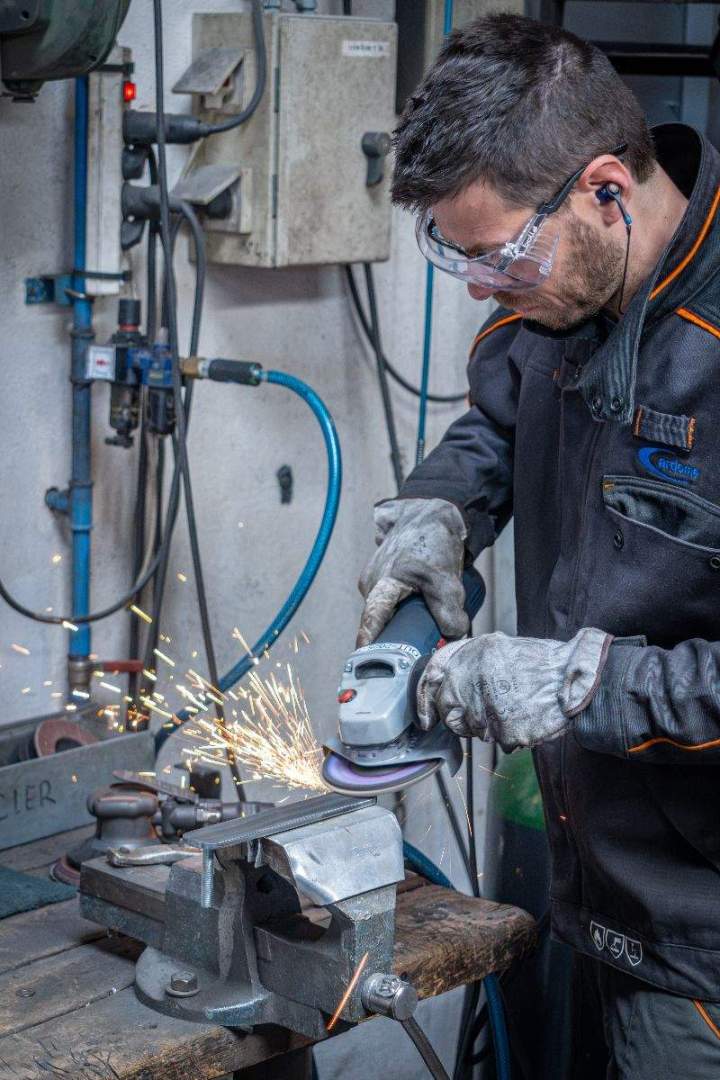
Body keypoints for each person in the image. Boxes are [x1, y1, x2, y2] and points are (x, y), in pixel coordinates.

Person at [357, 13, 720, 1079]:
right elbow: (498, 418)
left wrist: (579, 687)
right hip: (586, 879)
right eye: (459, 257)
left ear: (606, 187)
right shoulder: (553, 294)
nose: (483, 285)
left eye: (500, 252)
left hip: (702, 942)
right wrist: (440, 510)